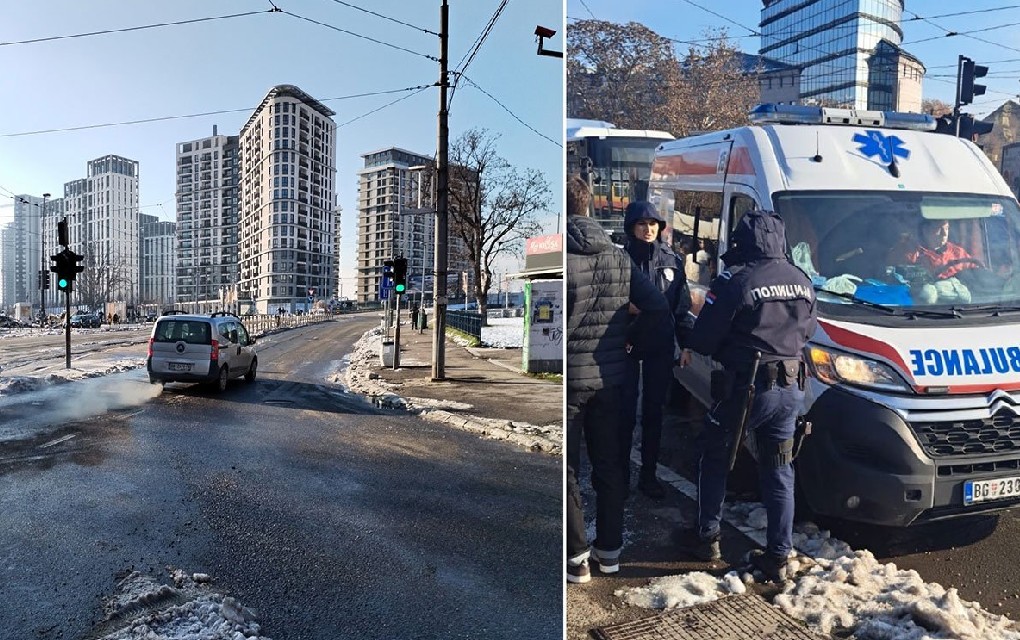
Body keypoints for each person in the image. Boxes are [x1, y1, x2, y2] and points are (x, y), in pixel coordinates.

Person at [677, 209, 817, 582]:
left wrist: (687, 326)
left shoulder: (736, 280)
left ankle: (706, 536)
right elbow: (808, 331)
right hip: (791, 386)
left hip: (749, 388)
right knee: (779, 469)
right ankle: (779, 554)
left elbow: (705, 338)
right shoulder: (801, 279)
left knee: (715, 455)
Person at [566, 176, 667, 584]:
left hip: (570, 380)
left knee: (569, 470)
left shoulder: (559, 258)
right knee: (609, 465)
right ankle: (609, 553)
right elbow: (657, 308)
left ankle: (576, 558)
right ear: (589, 206)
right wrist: (629, 343)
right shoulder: (618, 258)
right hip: (610, 378)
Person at [620, 201, 694, 499]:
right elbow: (605, 300)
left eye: (653, 224)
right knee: (624, 414)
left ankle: (648, 476)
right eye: (642, 224)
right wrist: (627, 309)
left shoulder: (672, 260)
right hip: (626, 344)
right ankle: (621, 477)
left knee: (654, 413)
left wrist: (686, 345)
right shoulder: (620, 260)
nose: (648, 229)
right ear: (631, 227)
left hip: (661, 345)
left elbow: (682, 306)